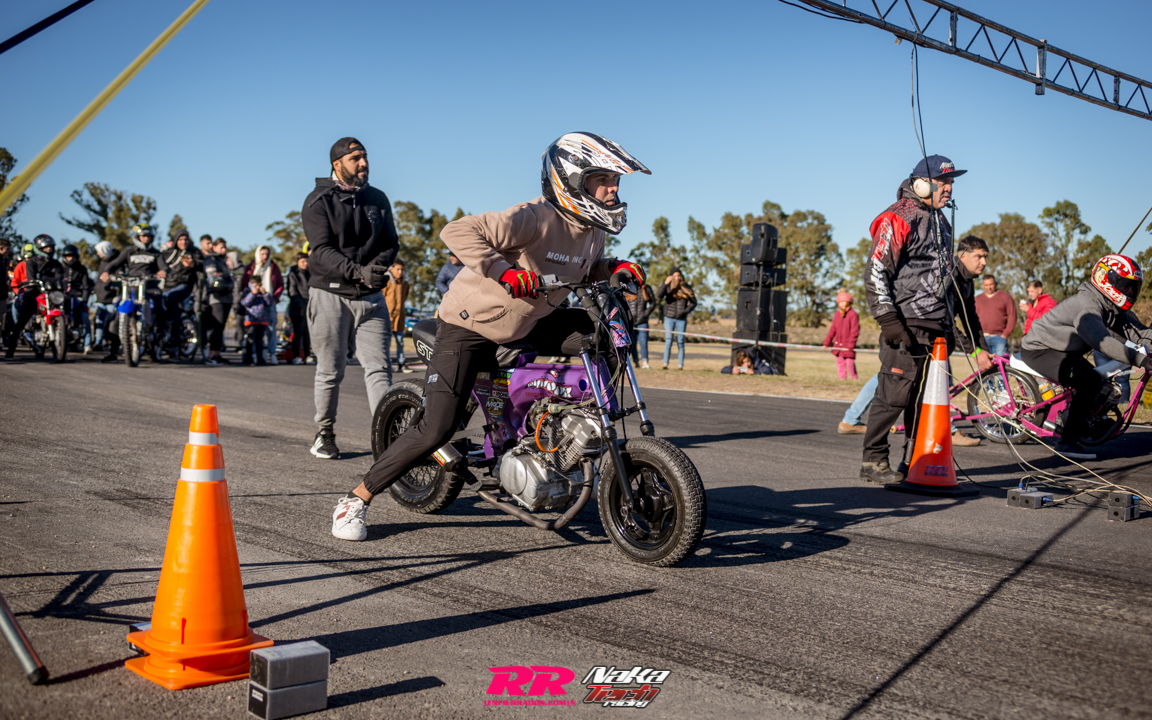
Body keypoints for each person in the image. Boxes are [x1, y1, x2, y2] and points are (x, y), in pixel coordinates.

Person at [329, 131, 649, 541]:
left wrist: (611, 268)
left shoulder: (592, 229)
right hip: (471, 327)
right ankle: (355, 499)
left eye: (615, 180)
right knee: (436, 428)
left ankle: (577, 428)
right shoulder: (533, 216)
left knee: (607, 331)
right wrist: (504, 272)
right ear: (571, 180)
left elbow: (582, 270)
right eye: (602, 179)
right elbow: (457, 231)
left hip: (527, 322)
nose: (613, 189)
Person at [860, 154, 986, 484]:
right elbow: (875, 271)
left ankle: (912, 462)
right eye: (943, 182)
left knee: (923, 400)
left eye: (951, 183)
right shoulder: (897, 217)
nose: (949, 188)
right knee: (894, 396)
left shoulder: (942, 221)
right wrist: (888, 319)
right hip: (905, 324)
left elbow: (943, 276)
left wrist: (956, 328)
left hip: (937, 329)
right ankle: (873, 460)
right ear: (921, 184)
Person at [303, 137, 401, 460]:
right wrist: (358, 272)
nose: (363, 163)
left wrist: (376, 269)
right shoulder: (318, 201)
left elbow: (391, 243)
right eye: (355, 158)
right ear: (337, 164)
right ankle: (324, 434)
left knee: (379, 370)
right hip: (330, 294)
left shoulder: (377, 199)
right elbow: (321, 250)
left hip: (371, 298)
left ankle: (388, 440)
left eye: (365, 157)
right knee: (331, 371)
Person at [1021, 254, 1152, 461]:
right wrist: (1142, 360)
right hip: (1041, 349)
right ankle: (1066, 441)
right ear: (1107, 280)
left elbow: (1141, 333)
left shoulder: (1111, 306)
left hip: (1066, 351)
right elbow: (1103, 342)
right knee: (1089, 382)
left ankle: (1086, 420)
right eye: (1126, 285)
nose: (1129, 292)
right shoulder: (1087, 305)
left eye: (1133, 287)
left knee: (1099, 382)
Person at [100, 224, 170, 341]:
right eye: (144, 236)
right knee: (117, 313)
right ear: (137, 237)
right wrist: (106, 272)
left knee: (159, 308)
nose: (146, 238)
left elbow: (164, 267)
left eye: (148, 236)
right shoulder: (129, 252)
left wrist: (163, 271)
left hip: (150, 287)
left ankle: (160, 334)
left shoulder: (156, 253)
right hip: (131, 288)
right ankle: (114, 346)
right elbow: (114, 264)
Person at [5, 234, 66, 357]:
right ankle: (11, 349)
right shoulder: (31, 262)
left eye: (51, 247)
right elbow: (31, 278)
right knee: (22, 321)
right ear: (38, 248)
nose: (49, 250)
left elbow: (60, 277)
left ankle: (65, 336)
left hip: (51, 295)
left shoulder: (56, 264)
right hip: (34, 294)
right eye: (46, 247)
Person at [160, 231, 202, 354]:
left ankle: (174, 338)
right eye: (180, 239)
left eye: (186, 239)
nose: (183, 242)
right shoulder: (169, 252)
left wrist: (193, 264)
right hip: (166, 285)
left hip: (183, 285)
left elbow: (201, 264)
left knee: (171, 298)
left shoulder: (192, 253)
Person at [241, 245, 284, 364]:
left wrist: (273, 297)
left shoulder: (273, 267)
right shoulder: (251, 267)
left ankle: (271, 354)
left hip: (267, 304)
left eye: (267, 254)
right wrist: (252, 293)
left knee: (271, 330)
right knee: (252, 337)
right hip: (252, 314)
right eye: (262, 254)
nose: (265, 256)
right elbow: (244, 294)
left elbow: (280, 284)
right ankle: (251, 357)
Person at [202, 238, 234, 365]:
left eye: (225, 247)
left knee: (221, 328)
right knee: (217, 326)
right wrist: (224, 278)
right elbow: (212, 278)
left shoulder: (223, 261)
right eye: (221, 247)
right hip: (216, 298)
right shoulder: (211, 260)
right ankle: (211, 355)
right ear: (214, 248)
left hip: (227, 298)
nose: (224, 250)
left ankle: (217, 353)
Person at [656, 267, 696, 370]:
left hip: (681, 319)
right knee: (668, 340)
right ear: (671, 277)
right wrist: (665, 283)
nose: (677, 277)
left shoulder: (686, 287)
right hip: (669, 318)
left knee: (680, 341)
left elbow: (694, 302)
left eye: (679, 275)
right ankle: (665, 364)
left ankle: (680, 365)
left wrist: (685, 311)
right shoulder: (668, 287)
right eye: (675, 276)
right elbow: (659, 296)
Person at [60, 244, 94, 352]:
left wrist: (84, 300)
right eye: (68, 256)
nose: (70, 258)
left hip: (78, 297)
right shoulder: (60, 268)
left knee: (85, 318)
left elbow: (86, 286)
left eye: (72, 256)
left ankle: (87, 345)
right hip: (63, 297)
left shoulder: (82, 269)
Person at [92, 241, 121, 360]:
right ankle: (98, 343)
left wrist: (113, 289)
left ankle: (113, 346)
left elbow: (119, 279)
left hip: (111, 299)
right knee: (98, 321)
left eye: (99, 251)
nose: (97, 254)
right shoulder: (103, 262)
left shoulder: (117, 261)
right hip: (100, 298)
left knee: (113, 324)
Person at [974, 274, 1016, 356]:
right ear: (982, 286)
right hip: (982, 338)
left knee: (1000, 362)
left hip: (999, 338)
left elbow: (1012, 316)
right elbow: (972, 318)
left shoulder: (1005, 297)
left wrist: (1005, 334)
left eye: (991, 284)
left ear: (995, 284)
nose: (989, 287)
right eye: (986, 285)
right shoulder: (977, 299)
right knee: (985, 363)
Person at [383, 259, 413, 372]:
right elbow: (381, 297)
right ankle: (386, 364)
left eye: (402, 270)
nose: (400, 272)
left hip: (400, 318)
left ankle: (402, 363)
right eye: (398, 269)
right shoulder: (386, 282)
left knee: (400, 341)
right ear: (391, 269)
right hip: (388, 317)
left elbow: (404, 298)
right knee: (386, 342)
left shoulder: (405, 284)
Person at [823, 289, 860, 379]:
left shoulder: (853, 314)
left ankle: (854, 377)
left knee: (849, 362)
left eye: (844, 302)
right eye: (840, 302)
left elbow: (855, 331)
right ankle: (842, 378)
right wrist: (827, 343)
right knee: (840, 362)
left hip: (848, 345)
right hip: (838, 344)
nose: (842, 304)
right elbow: (832, 330)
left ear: (849, 302)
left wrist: (851, 344)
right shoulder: (837, 315)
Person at [240, 278, 275, 365]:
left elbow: (270, 303)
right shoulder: (247, 292)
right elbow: (244, 303)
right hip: (251, 320)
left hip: (263, 320)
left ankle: (260, 358)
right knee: (250, 340)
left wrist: (265, 294)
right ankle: (249, 358)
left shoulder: (263, 293)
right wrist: (252, 294)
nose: (257, 287)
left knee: (260, 341)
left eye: (258, 285)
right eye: (255, 285)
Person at [285, 251, 311, 364]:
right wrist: (302, 305)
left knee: (307, 333)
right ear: (297, 262)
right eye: (303, 261)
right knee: (298, 333)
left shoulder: (311, 273)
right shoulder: (293, 274)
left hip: (310, 307)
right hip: (297, 309)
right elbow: (292, 292)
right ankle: (296, 356)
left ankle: (308, 356)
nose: (305, 264)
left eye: (307, 261)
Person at [625, 281, 656, 368]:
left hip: (643, 321)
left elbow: (653, 303)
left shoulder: (646, 288)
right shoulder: (627, 288)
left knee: (643, 342)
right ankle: (636, 362)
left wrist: (646, 313)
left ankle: (645, 362)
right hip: (631, 322)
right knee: (632, 343)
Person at [0, 239, 11, 343]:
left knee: (2, 316)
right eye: (7, 249)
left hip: (2, 291)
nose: (9, 251)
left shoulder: (6, 260)